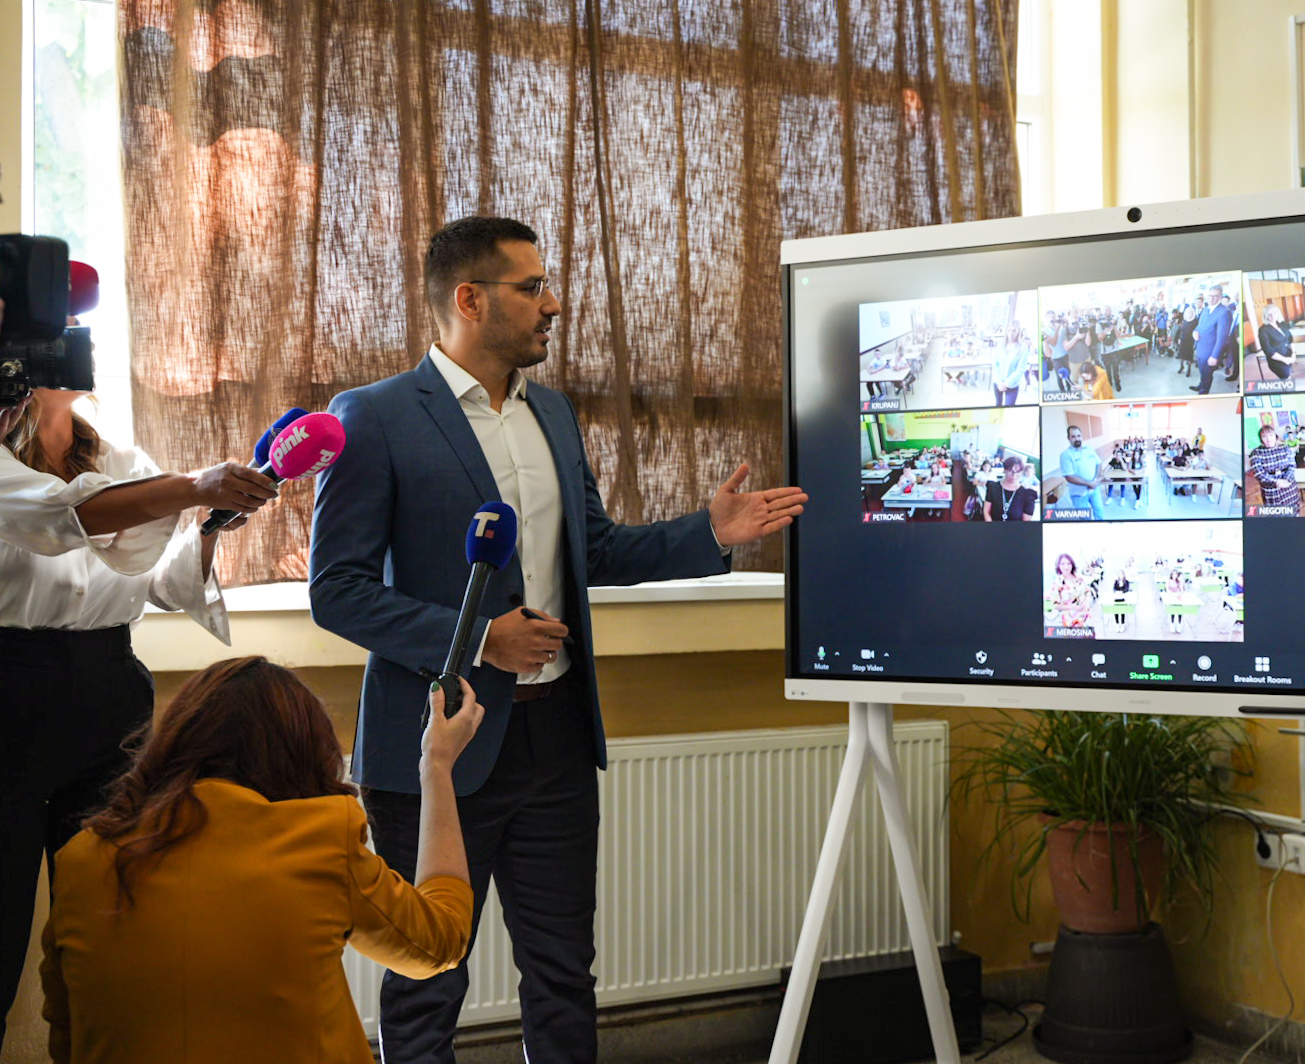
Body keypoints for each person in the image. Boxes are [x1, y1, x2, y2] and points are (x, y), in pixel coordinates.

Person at [308, 216, 807, 1064]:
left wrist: (709, 533)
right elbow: (338, 592)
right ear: (470, 299)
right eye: (533, 287)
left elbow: (595, 550)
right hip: (439, 743)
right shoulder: (374, 417)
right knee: (427, 981)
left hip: (558, 739)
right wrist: (479, 640)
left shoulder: (555, 414)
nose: (554, 304)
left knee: (564, 974)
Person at [0, 358, 278, 1048]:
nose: (79, 350)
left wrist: (208, 523)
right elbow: (61, 516)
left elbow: (161, 585)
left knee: (106, 920)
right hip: (10, 693)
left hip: (109, 698)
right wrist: (191, 486)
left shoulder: (124, 462)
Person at [38, 657, 483, 1064]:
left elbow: (66, 1032)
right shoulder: (318, 839)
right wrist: (437, 766)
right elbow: (439, 943)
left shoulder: (81, 860)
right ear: (306, 751)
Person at [1249, 424, 1301, 515]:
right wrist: (1276, 482)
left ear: (1275, 436)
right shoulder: (1256, 453)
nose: (1268, 439)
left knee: (1292, 511)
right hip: (1271, 489)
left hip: (1288, 486)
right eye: (1264, 436)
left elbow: (1292, 466)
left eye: (1271, 435)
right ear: (1261, 439)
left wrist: (1286, 480)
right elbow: (1259, 474)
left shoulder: (1285, 448)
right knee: (1275, 513)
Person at [1056, 424, 1106, 519]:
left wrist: (1096, 479)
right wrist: (1089, 483)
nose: (1077, 439)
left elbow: (1098, 463)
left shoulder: (1089, 449)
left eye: (1079, 436)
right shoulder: (1065, 455)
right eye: (1073, 436)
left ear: (1082, 436)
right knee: (1085, 519)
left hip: (1094, 490)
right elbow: (1069, 477)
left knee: (1099, 513)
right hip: (1078, 494)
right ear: (1068, 438)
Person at [1191, 285, 1233, 395]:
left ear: (1220, 297)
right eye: (1210, 295)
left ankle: (1204, 392)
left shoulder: (1224, 312)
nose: (1211, 298)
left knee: (1207, 373)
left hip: (1210, 352)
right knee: (1202, 371)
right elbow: (1199, 326)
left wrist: (1215, 356)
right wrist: (1194, 332)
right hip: (1200, 348)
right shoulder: (1205, 309)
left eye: (1215, 296)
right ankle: (1201, 385)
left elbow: (1222, 338)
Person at [983, 455, 1038, 522]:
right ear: (1004, 470)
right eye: (1010, 471)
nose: (1014, 475)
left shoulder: (1027, 495)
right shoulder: (993, 487)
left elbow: (1026, 522)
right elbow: (986, 512)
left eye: (1018, 472)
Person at [993, 318, 1029, 406]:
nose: (1011, 333)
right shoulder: (1000, 345)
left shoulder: (1023, 348)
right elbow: (995, 364)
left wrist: (1007, 383)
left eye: (1014, 331)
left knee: (1009, 407)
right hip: (998, 382)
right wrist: (999, 382)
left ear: (1018, 331)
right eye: (1009, 330)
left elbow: (1021, 369)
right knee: (998, 404)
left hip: (1012, 384)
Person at [1258, 304, 1297, 381]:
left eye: (1274, 313)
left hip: (1288, 354)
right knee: (1286, 378)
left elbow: (1290, 339)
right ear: (1265, 316)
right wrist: (1285, 360)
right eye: (1269, 314)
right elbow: (1268, 351)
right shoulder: (1263, 330)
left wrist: (1293, 353)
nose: (1273, 316)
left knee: (1288, 377)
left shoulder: (1282, 324)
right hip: (1277, 360)